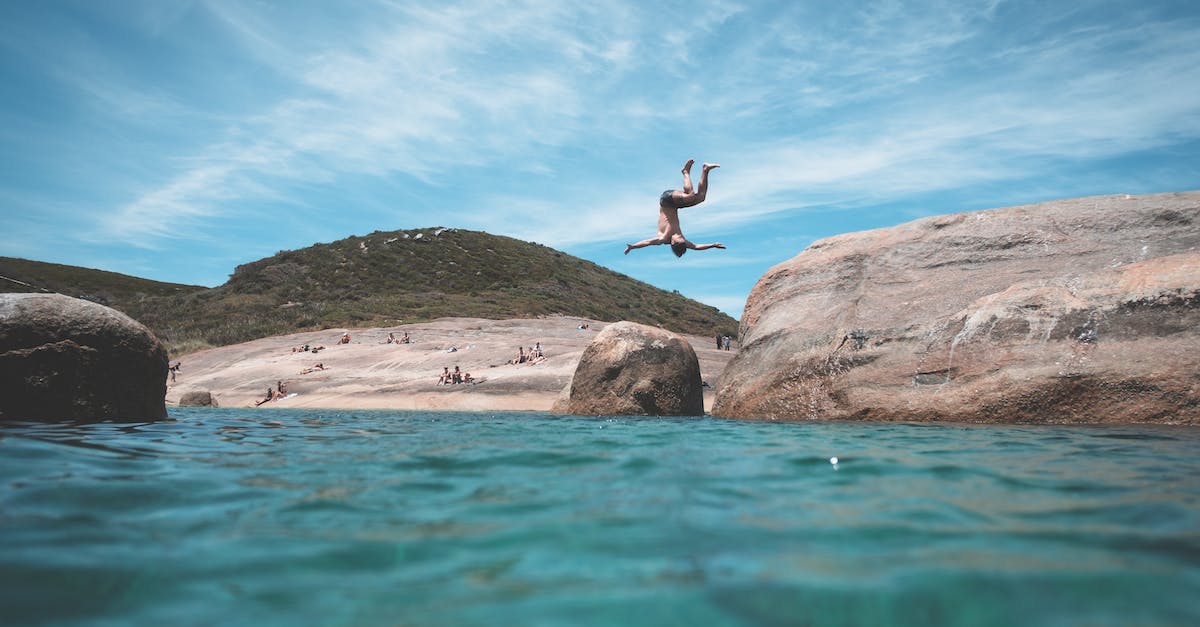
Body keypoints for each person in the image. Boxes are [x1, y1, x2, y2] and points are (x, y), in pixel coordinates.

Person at [625, 159, 726, 257]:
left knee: (690, 196)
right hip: (676, 206)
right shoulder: (682, 242)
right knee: (701, 198)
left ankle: (685, 172)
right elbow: (696, 247)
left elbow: (647, 242)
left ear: (673, 242)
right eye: (683, 238)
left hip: (666, 201)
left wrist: (633, 247)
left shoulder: (663, 238)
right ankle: (706, 169)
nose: (681, 235)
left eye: (679, 237)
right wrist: (712, 245)